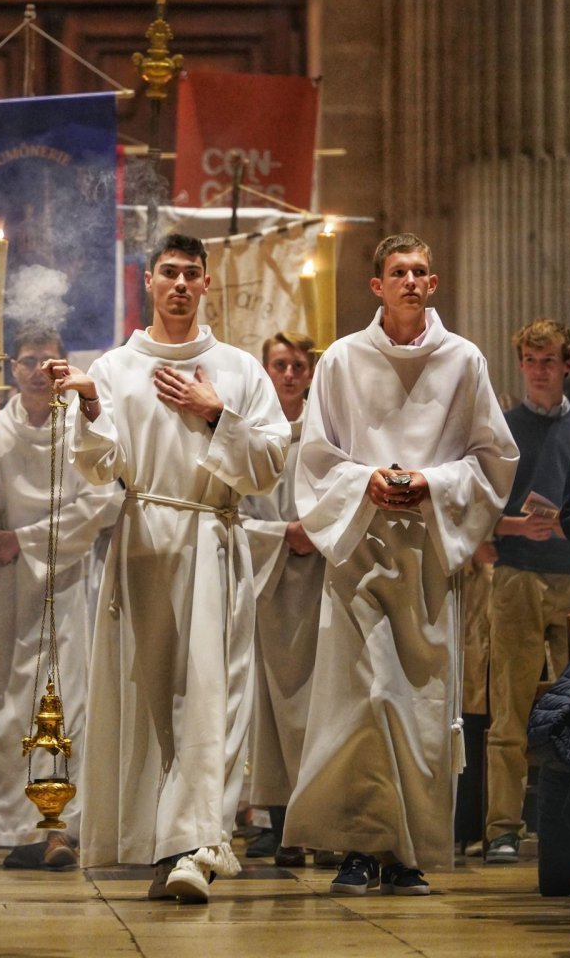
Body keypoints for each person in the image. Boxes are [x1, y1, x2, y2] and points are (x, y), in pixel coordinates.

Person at [47, 233, 290, 902]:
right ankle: (169, 844)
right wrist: (92, 405)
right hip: (144, 542)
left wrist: (215, 415)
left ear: (208, 284)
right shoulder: (119, 367)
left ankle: (191, 847)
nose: (180, 284)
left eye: (191, 274)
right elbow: (99, 465)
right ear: (147, 282)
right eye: (168, 273)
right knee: (154, 699)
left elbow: (272, 459)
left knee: (205, 696)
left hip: (211, 537)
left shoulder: (238, 369)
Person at [282, 232, 518, 896]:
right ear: (377, 287)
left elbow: (492, 458)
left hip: (424, 555)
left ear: (433, 284)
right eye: (397, 272)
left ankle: (405, 853)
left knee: (416, 705)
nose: (410, 281)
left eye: (420, 271)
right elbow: (317, 455)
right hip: (359, 549)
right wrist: (365, 483)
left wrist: (429, 484)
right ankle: (360, 848)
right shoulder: (342, 361)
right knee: (361, 700)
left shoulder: (464, 361)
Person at [0, 324, 122, 868]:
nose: (39, 370)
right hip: (2, 587)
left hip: (63, 580)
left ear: (64, 366)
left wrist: (21, 541)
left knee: (64, 706)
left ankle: (60, 830)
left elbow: (104, 502)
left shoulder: (81, 431)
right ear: (12, 369)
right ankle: (18, 828)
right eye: (27, 360)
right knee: (4, 711)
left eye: (49, 360)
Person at [483, 320, 570, 863]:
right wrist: (514, 526)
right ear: (519, 364)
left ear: (567, 366)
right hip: (518, 574)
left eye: (549, 361)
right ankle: (502, 826)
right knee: (510, 710)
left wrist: (568, 526)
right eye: (530, 359)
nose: (539, 370)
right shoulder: (503, 426)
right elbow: (477, 509)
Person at [239, 331, 324, 867]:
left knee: (316, 702)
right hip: (265, 581)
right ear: (265, 371)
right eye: (279, 365)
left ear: (311, 373)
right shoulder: (247, 433)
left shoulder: (327, 431)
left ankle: (312, 816)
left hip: (318, 579)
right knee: (265, 704)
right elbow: (230, 510)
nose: (289, 374)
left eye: (297, 366)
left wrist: (312, 531)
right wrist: (279, 536)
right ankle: (272, 815)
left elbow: (344, 491)